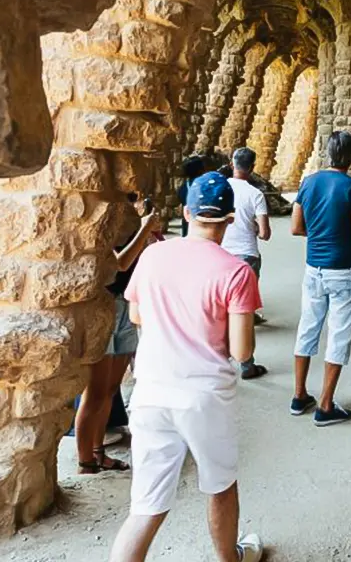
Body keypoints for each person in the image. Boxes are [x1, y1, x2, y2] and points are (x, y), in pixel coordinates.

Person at [109, 172, 264, 562]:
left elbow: (138, 314)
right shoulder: (236, 272)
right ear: (229, 219)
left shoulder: (153, 255)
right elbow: (242, 351)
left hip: (151, 391)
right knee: (219, 486)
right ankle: (231, 558)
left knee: (146, 506)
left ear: (186, 212)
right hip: (204, 396)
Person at [289, 130, 351, 426]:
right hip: (342, 271)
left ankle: (299, 395)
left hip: (313, 268)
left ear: (328, 152)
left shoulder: (308, 183)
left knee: (308, 328)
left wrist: (320, 234)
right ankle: (326, 405)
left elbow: (296, 227)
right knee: (338, 335)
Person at [75, 193, 159, 474]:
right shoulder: (102, 220)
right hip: (105, 305)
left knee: (110, 389)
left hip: (125, 304)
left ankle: (99, 452)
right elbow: (118, 264)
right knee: (95, 392)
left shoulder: (129, 221)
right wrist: (146, 228)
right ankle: (86, 459)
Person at [221, 147, 271, 379]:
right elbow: (265, 233)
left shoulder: (221, 189)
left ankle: (218, 362)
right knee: (244, 311)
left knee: (219, 309)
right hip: (246, 256)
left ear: (232, 164)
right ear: (252, 168)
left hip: (221, 254)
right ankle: (247, 365)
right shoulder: (256, 195)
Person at [176, 155, 206, 238]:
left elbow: (180, 199)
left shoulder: (184, 187)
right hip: (203, 222)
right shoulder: (205, 186)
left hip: (187, 222)